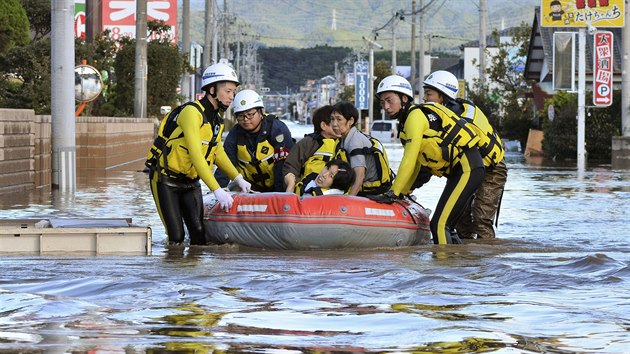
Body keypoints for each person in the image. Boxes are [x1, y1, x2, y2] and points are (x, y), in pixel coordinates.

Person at [146, 63, 251, 245]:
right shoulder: (191, 113)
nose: (231, 96)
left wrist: (238, 178)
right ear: (212, 89)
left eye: (233, 92)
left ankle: (194, 272)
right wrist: (217, 190)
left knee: (199, 235)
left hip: (191, 183)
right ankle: (172, 268)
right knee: (176, 237)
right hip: (166, 180)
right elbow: (196, 156)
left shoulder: (217, 120)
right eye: (227, 91)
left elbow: (217, 151)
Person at [376, 75, 485, 245]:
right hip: (463, 170)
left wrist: (393, 193)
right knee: (446, 226)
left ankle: (443, 269)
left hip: (468, 168)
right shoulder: (406, 123)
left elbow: (409, 159)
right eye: (383, 102)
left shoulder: (415, 117)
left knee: (439, 225)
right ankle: (461, 262)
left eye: (389, 100)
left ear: (404, 98)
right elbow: (419, 163)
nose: (386, 106)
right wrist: (403, 191)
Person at [423, 70, 507, 239]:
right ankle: (466, 259)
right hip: (470, 170)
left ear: (442, 96)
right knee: (460, 217)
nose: (424, 99)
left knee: (481, 219)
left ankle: (487, 261)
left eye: (428, 94)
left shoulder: (460, 120)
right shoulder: (444, 117)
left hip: (492, 169)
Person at [217, 89, 294, 192]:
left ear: (261, 112)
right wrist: (217, 190)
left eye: (250, 114)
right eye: (240, 116)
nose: (245, 119)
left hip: (278, 184)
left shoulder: (277, 130)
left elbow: (284, 166)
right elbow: (225, 164)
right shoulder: (235, 134)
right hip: (250, 187)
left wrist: (278, 195)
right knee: (233, 188)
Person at [330, 101, 392, 196]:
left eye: (339, 119)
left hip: (371, 192)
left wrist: (348, 202)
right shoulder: (343, 139)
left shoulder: (355, 142)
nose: (334, 124)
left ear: (350, 121)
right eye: (332, 119)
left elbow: (359, 177)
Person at [283, 105, 339, 194]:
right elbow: (291, 168)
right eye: (334, 121)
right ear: (324, 125)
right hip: (307, 195)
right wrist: (301, 187)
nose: (338, 125)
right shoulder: (307, 143)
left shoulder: (346, 143)